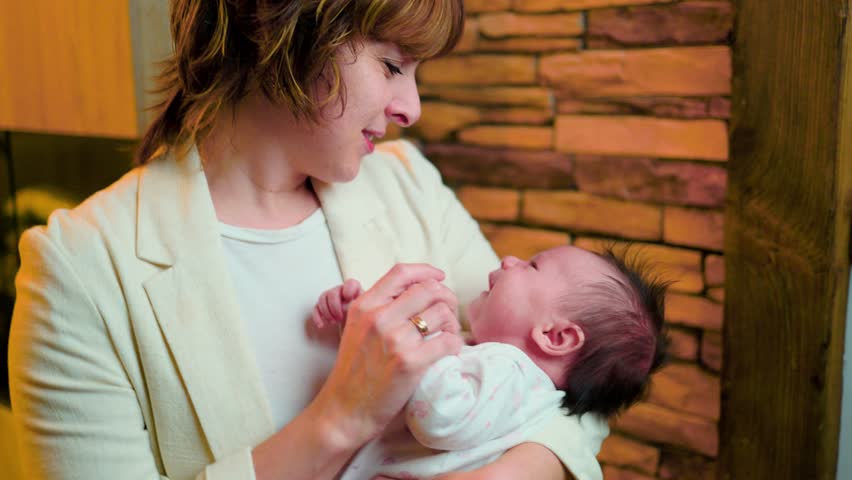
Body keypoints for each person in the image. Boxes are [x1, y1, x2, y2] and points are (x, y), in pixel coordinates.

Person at [8, 1, 609, 479]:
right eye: (392, 66)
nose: (412, 107)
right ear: (280, 31)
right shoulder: (78, 269)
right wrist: (342, 416)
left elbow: (570, 374)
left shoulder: (408, 183)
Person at [312, 245, 670, 480]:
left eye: (532, 265)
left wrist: (420, 338)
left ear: (556, 337)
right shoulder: (505, 376)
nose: (508, 260)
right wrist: (359, 320)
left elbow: (439, 417)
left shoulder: (511, 371)